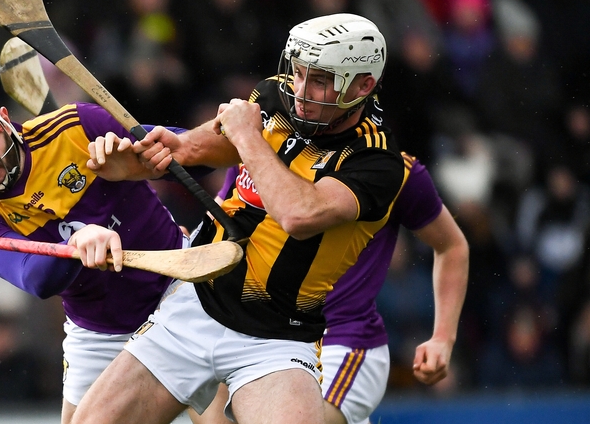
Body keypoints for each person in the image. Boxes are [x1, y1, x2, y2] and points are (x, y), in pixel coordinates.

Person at [76, 13, 406, 424]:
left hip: (277, 337)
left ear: (363, 85)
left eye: (319, 80)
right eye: (298, 72)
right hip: (194, 305)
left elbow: (298, 214)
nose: (301, 91)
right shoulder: (276, 95)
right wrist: (156, 154)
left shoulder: (377, 162)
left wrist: (247, 135)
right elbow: (201, 148)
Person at [0, 74, 187, 424]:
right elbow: (35, 278)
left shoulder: (76, 126)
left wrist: (139, 161)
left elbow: (188, 154)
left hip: (178, 283)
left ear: (1, 118)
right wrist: (74, 245)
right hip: (98, 329)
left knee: (213, 416)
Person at [190, 144, 469, 424]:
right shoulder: (261, 147)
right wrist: (190, 246)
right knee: (198, 388)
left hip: (346, 343)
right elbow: (223, 232)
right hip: (265, 335)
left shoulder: (394, 170)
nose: (306, 99)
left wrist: (443, 338)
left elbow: (452, 246)